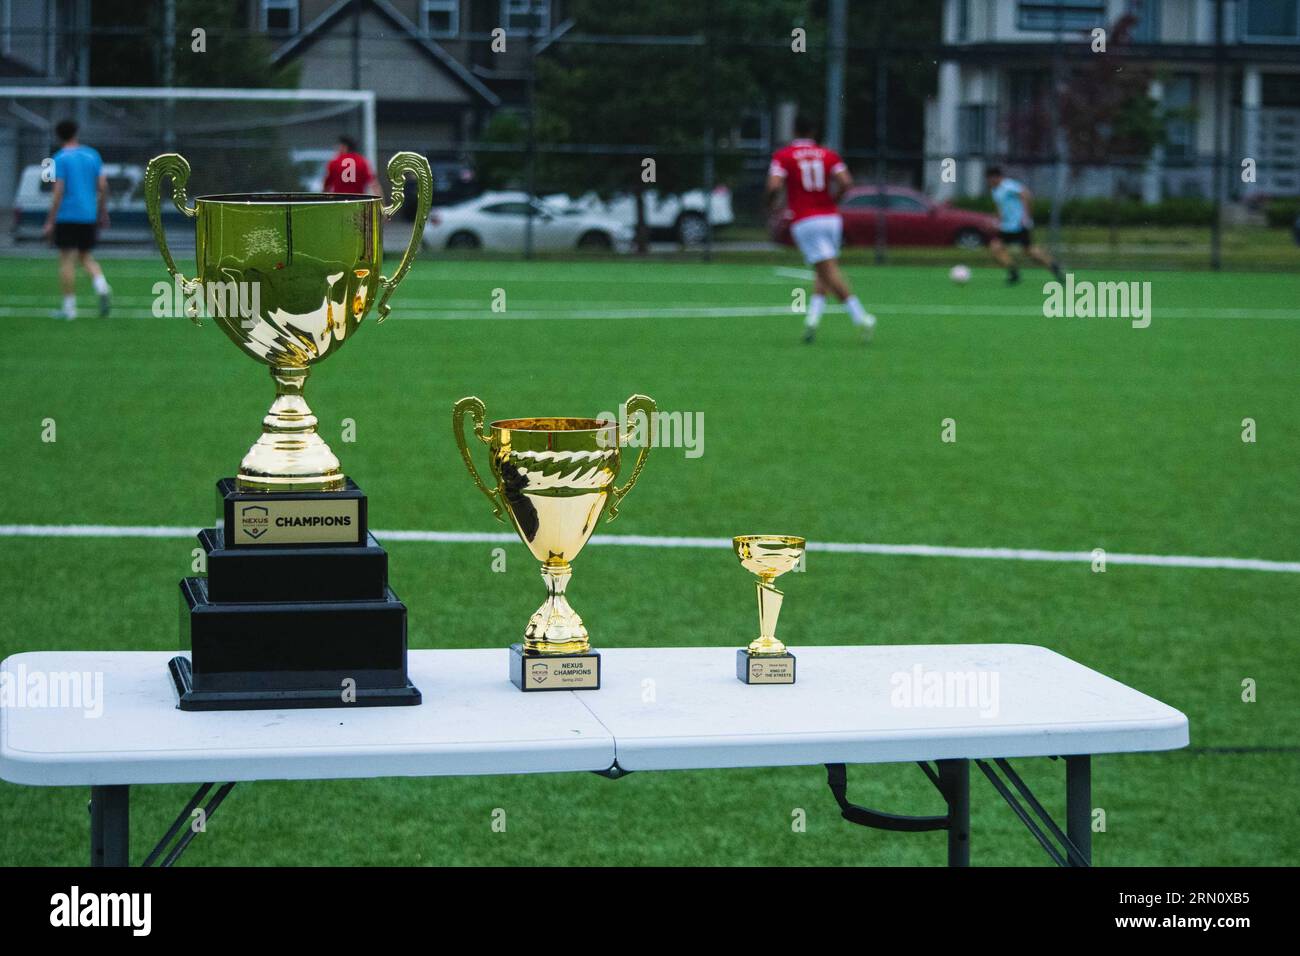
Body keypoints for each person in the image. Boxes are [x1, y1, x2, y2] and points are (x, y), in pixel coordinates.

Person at [766, 116, 877, 344]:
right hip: (831, 218)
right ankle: (812, 320)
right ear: (813, 132)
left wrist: (770, 202)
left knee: (827, 270)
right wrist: (833, 199)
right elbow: (846, 182)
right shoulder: (829, 154)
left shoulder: (783, 155)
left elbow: (775, 185)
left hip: (805, 219)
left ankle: (861, 317)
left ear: (794, 130)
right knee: (824, 269)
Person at [42, 119, 111, 320]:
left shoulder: (59, 158)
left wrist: (50, 220)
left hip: (67, 215)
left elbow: (58, 192)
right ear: (76, 133)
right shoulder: (92, 155)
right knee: (85, 256)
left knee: (66, 260)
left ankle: (69, 308)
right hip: (88, 214)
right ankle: (102, 285)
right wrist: (102, 211)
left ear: (58, 136)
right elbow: (103, 186)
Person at [985, 166, 1064, 286]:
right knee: (996, 247)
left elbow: (1026, 194)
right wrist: (996, 220)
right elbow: (1001, 207)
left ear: (995, 177)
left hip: (1019, 224)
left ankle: (1053, 266)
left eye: (989, 179)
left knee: (1030, 251)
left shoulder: (1008, 185)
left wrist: (1026, 215)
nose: (988, 182)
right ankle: (1013, 272)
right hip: (1006, 226)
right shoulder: (995, 190)